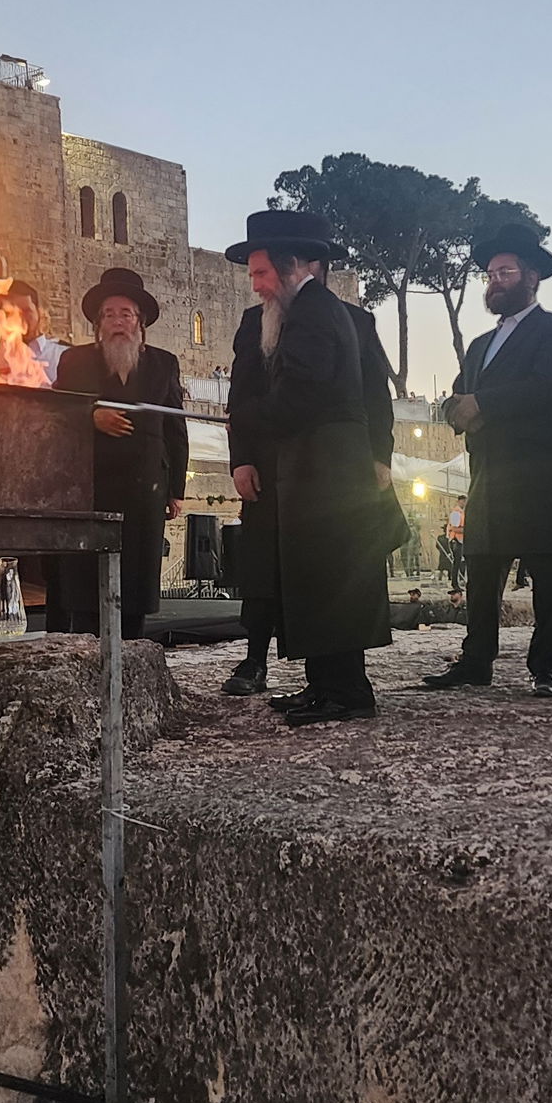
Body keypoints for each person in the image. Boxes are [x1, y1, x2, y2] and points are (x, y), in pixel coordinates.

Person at [221, 211, 392, 724]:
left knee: (330, 578)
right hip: (315, 465)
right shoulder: (305, 309)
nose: (255, 284)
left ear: (291, 264)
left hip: (329, 468)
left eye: (261, 273)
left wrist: (243, 417)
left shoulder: (313, 312)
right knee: (316, 578)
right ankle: (324, 686)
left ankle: (348, 693)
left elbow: (301, 393)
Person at [425, 225, 552, 698]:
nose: (495, 281)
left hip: (538, 473)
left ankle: (547, 666)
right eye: (490, 274)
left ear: (532, 276)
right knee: (482, 571)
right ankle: (476, 661)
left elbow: (545, 387)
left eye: (505, 272)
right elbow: (457, 395)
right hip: (489, 476)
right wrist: (455, 409)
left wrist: (482, 405)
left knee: (549, 573)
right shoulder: (478, 346)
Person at [53, 268, 187, 640]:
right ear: (98, 323)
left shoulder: (163, 363)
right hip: (91, 485)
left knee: (136, 578)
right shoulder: (75, 361)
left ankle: (132, 652)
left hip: (145, 488)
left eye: (125, 314)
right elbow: (54, 413)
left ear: (139, 322)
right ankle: (87, 650)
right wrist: (91, 417)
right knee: (86, 580)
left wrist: (176, 489)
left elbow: (175, 428)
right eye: (109, 314)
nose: (117, 321)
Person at [0, 279, 67, 380]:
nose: (19, 318)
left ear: (38, 312)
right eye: (10, 313)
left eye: (26, 311)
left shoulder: (63, 357)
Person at [443, 497, 467, 589]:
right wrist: (466, 530)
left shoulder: (461, 512)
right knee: (456, 563)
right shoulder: (456, 513)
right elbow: (454, 528)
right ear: (459, 501)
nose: (464, 503)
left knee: (458, 562)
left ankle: (456, 582)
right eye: (463, 501)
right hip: (456, 540)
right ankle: (454, 583)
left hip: (459, 540)